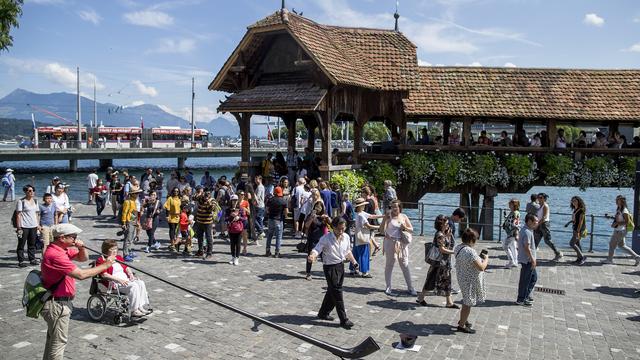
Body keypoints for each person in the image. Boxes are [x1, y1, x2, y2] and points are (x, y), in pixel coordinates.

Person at [41, 223, 116, 360]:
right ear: (62, 238)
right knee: (58, 343)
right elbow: (81, 275)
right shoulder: (55, 255)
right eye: (73, 237)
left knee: (52, 341)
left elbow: (83, 258)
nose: (76, 239)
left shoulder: (61, 249)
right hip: (57, 304)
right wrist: (105, 265)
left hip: (59, 302)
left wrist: (81, 248)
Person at [307, 216, 359, 329]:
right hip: (329, 267)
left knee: (332, 291)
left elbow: (347, 251)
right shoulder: (326, 238)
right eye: (339, 229)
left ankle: (323, 313)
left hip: (340, 266)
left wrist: (354, 262)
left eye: (343, 228)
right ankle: (343, 319)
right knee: (337, 293)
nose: (341, 231)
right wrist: (312, 256)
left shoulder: (346, 237)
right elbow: (317, 249)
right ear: (333, 227)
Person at [96, 239, 151, 317]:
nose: (115, 251)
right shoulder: (101, 260)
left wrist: (131, 274)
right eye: (112, 249)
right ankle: (134, 310)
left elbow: (126, 267)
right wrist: (119, 280)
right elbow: (104, 275)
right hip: (114, 283)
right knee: (134, 286)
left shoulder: (118, 257)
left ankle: (140, 306)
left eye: (116, 248)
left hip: (125, 280)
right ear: (106, 250)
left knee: (140, 283)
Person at [416, 215, 456, 307]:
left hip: (443, 262)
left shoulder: (443, 234)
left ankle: (448, 302)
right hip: (440, 263)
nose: (448, 225)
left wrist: (448, 236)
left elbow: (447, 244)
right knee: (436, 279)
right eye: (446, 224)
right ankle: (421, 298)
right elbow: (442, 249)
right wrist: (454, 252)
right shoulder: (440, 235)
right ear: (441, 225)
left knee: (440, 279)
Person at [454, 228, 488, 334]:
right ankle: (461, 325)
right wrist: (486, 259)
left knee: (466, 299)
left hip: (462, 277)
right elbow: (481, 267)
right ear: (471, 240)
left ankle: (464, 319)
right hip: (469, 280)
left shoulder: (458, 247)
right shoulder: (470, 251)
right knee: (467, 303)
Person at [380, 200, 416, 296]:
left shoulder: (404, 216)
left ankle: (410, 287)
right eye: (392, 207)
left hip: (402, 243)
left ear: (400, 207)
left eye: (396, 206)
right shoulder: (388, 217)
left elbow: (412, 229)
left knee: (404, 264)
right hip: (390, 242)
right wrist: (384, 219)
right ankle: (388, 287)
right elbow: (381, 230)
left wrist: (405, 227)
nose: (394, 208)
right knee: (389, 264)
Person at [602, 195, 640, 265]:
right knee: (622, 245)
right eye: (616, 199)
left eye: (618, 200)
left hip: (620, 231)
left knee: (611, 244)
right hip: (619, 230)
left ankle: (610, 260)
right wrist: (610, 217)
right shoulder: (619, 209)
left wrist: (617, 223)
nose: (616, 201)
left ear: (622, 201)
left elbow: (627, 222)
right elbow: (619, 218)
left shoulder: (624, 210)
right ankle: (636, 257)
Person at [352, 197, 381, 278]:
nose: (364, 206)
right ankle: (364, 272)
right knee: (364, 254)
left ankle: (353, 269)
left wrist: (382, 216)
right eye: (363, 205)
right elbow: (368, 225)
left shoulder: (359, 213)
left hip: (357, 235)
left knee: (355, 253)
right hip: (363, 236)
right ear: (360, 206)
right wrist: (379, 227)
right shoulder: (361, 215)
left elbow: (371, 216)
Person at [304, 189, 329, 280]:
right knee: (312, 254)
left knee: (323, 255)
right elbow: (307, 225)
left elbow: (330, 224)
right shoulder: (313, 212)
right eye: (313, 195)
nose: (318, 208)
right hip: (313, 235)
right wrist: (312, 217)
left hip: (320, 235)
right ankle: (308, 273)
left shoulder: (322, 213)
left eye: (316, 195)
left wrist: (325, 218)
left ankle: (325, 273)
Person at [517, 214, 539, 306]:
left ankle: (526, 296)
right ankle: (522, 299)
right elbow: (527, 247)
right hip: (528, 260)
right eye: (535, 222)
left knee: (533, 278)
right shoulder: (527, 232)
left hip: (526, 259)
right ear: (529, 221)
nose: (537, 223)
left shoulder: (526, 230)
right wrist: (532, 259)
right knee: (526, 280)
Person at [16, 184, 40, 267]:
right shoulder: (21, 201)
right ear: (25, 192)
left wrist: (38, 225)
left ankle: (32, 259)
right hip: (24, 226)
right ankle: (21, 261)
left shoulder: (36, 201)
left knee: (32, 244)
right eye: (29, 191)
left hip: (33, 225)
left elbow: (37, 214)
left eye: (33, 190)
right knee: (21, 244)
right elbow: (18, 215)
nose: (32, 192)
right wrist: (19, 227)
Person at [534, 193, 563, 261]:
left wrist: (537, 224)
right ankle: (531, 255)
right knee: (535, 240)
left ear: (544, 199)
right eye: (538, 197)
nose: (539, 198)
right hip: (539, 224)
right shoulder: (540, 206)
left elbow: (544, 217)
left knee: (547, 240)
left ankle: (558, 253)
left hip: (544, 225)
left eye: (540, 197)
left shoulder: (545, 206)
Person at [194, 190, 220, 259]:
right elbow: (193, 198)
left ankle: (209, 253)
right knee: (199, 237)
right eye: (206, 194)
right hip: (199, 221)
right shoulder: (200, 199)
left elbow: (212, 209)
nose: (207, 196)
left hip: (208, 223)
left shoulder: (212, 200)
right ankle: (200, 251)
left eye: (208, 194)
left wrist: (208, 202)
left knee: (209, 238)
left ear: (210, 195)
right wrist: (199, 194)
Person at [265, 186, 288, 257]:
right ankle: (277, 252)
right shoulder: (283, 200)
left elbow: (267, 210)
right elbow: (286, 211)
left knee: (269, 235)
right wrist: (285, 215)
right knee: (278, 236)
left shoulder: (270, 199)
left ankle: (268, 251)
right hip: (279, 219)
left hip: (271, 219)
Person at [121, 188, 141, 261]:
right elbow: (124, 213)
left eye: (138, 193)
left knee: (131, 238)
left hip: (133, 221)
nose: (137, 194)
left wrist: (136, 222)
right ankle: (125, 254)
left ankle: (129, 251)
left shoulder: (134, 201)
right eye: (136, 193)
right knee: (128, 239)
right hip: (129, 222)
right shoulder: (128, 202)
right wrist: (124, 223)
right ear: (132, 194)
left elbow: (134, 213)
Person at [226, 194, 247, 265]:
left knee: (238, 244)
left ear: (237, 201)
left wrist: (239, 217)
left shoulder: (241, 209)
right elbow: (225, 218)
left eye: (235, 200)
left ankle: (237, 258)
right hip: (231, 228)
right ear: (231, 201)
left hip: (239, 228)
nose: (234, 202)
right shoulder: (228, 209)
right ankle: (232, 257)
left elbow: (245, 218)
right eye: (233, 200)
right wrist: (230, 216)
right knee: (232, 244)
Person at [567, 196, 587, 265]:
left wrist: (578, 231)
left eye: (575, 201)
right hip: (575, 228)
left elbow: (581, 221)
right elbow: (575, 220)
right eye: (572, 201)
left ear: (579, 201)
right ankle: (579, 259)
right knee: (577, 244)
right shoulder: (575, 209)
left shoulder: (581, 210)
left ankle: (582, 257)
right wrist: (568, 223)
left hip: (579, 229)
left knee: (572, 243)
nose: (573, 202)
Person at [501, 199, 520, 268]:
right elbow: (510, 220)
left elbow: (515, 221)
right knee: (513, 247)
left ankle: (511, 261)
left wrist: (514, 226)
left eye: (510, 204)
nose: (509, 205)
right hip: (511, 232)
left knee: (505, 246)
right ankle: (515, 262)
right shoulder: (513, 212)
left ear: (514, 205)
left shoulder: (515, 213)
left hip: (512, 233)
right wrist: (505, 216)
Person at [164, 187, 182, 253]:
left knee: (177, 230)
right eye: (175, 191)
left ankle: (175, 242)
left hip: (178, 217)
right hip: (171, 216)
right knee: (172, 229)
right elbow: (167, 208)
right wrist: (167, 216)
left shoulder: (180, 199)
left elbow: (182, 207)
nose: (176, 192)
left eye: (177, 191)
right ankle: (172, 243)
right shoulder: (170, 198)